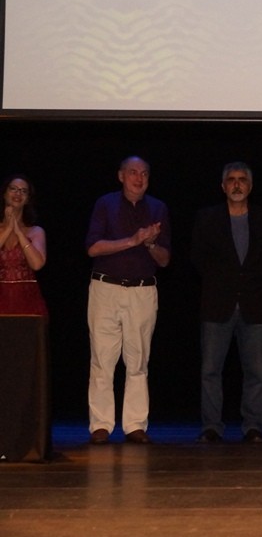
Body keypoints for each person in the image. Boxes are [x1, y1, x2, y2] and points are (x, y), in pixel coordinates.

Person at [85, 156, 171, 445]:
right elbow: (93, 248)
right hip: (106, 289)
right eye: (133, 172)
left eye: (145, 173)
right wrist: (132, 240)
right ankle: (101, 425)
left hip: (143, 291)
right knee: (102, 359)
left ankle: (135, 424)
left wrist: (149, 244)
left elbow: (165, 259)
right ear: (121, 176)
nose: (139, 178)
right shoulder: (105, 203)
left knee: (138, 361)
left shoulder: (158, 208)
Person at [191, 162, 262, 444]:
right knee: (210, 371)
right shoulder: (206, 218)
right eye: (231, 180)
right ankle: (212, 427)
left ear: (250, 187)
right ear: (223, 187)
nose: (237, 184)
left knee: (255, 372)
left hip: (253, 306)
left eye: (242, 180)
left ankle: (253, 426)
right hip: (217, 305)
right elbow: (198, 260)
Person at [0, 175, 48, 316]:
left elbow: (37, 264)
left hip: (27, 302)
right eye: (13, 189)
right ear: (4, 193)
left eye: (23, 191)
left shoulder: (35, 231)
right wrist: (8, 229)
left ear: (27, 199)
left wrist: (19, 233)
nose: (18, 193)